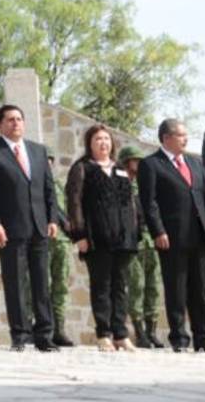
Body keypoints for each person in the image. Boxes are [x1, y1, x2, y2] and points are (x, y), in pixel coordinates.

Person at [137, 118, 205, 353]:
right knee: (176, 288)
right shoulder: (151, 165)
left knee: (202, 288)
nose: (185, 139)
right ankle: (179, 337)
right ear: (166, 137)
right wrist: (158, 230)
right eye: (181, 135)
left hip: (199, 235)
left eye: (186, 135)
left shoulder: (195, 164)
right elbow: (149, 203)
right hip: (172, 237)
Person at [0, 104, 60, 352]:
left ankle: (45, 335)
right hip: (10, 228)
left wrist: (53, 219)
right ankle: (21, 335)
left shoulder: (37, 151)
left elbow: (49, 189)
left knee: (41, 283)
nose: (16, 124)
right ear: (0, 125)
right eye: (10, 120)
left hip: (39, 226)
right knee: (15, 283)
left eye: (19, 119)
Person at [64, 124, 139, 352]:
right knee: (102, 286)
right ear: (89, 143)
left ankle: (121, 333)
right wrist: (79, 235)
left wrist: (134, 232)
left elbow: (130, 204)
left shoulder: (120, 169)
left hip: (123, 238)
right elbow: (73, 202)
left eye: (107, 139)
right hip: (97, 238)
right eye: (98, 139)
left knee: (120, 287)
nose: (103, 143)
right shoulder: (82, 168)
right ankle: (103, 333)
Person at [118, 144, 163, 349]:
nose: (139, 164)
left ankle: (152, 331)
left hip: (149, 241)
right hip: (132, 243)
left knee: (152, 286)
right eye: (135, 160)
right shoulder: (119, 183)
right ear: (127, 162)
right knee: (137, 286)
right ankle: (139, 332)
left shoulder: (146, 185)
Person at [47, 154, 74, 348]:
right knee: (40, 285)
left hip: (63, 241)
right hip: (45, 239)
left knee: (61, 286)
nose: (47, 164)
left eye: (50, 161)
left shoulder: (59, 184)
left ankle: (59, 328)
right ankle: (42, 327)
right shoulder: (35, 183)